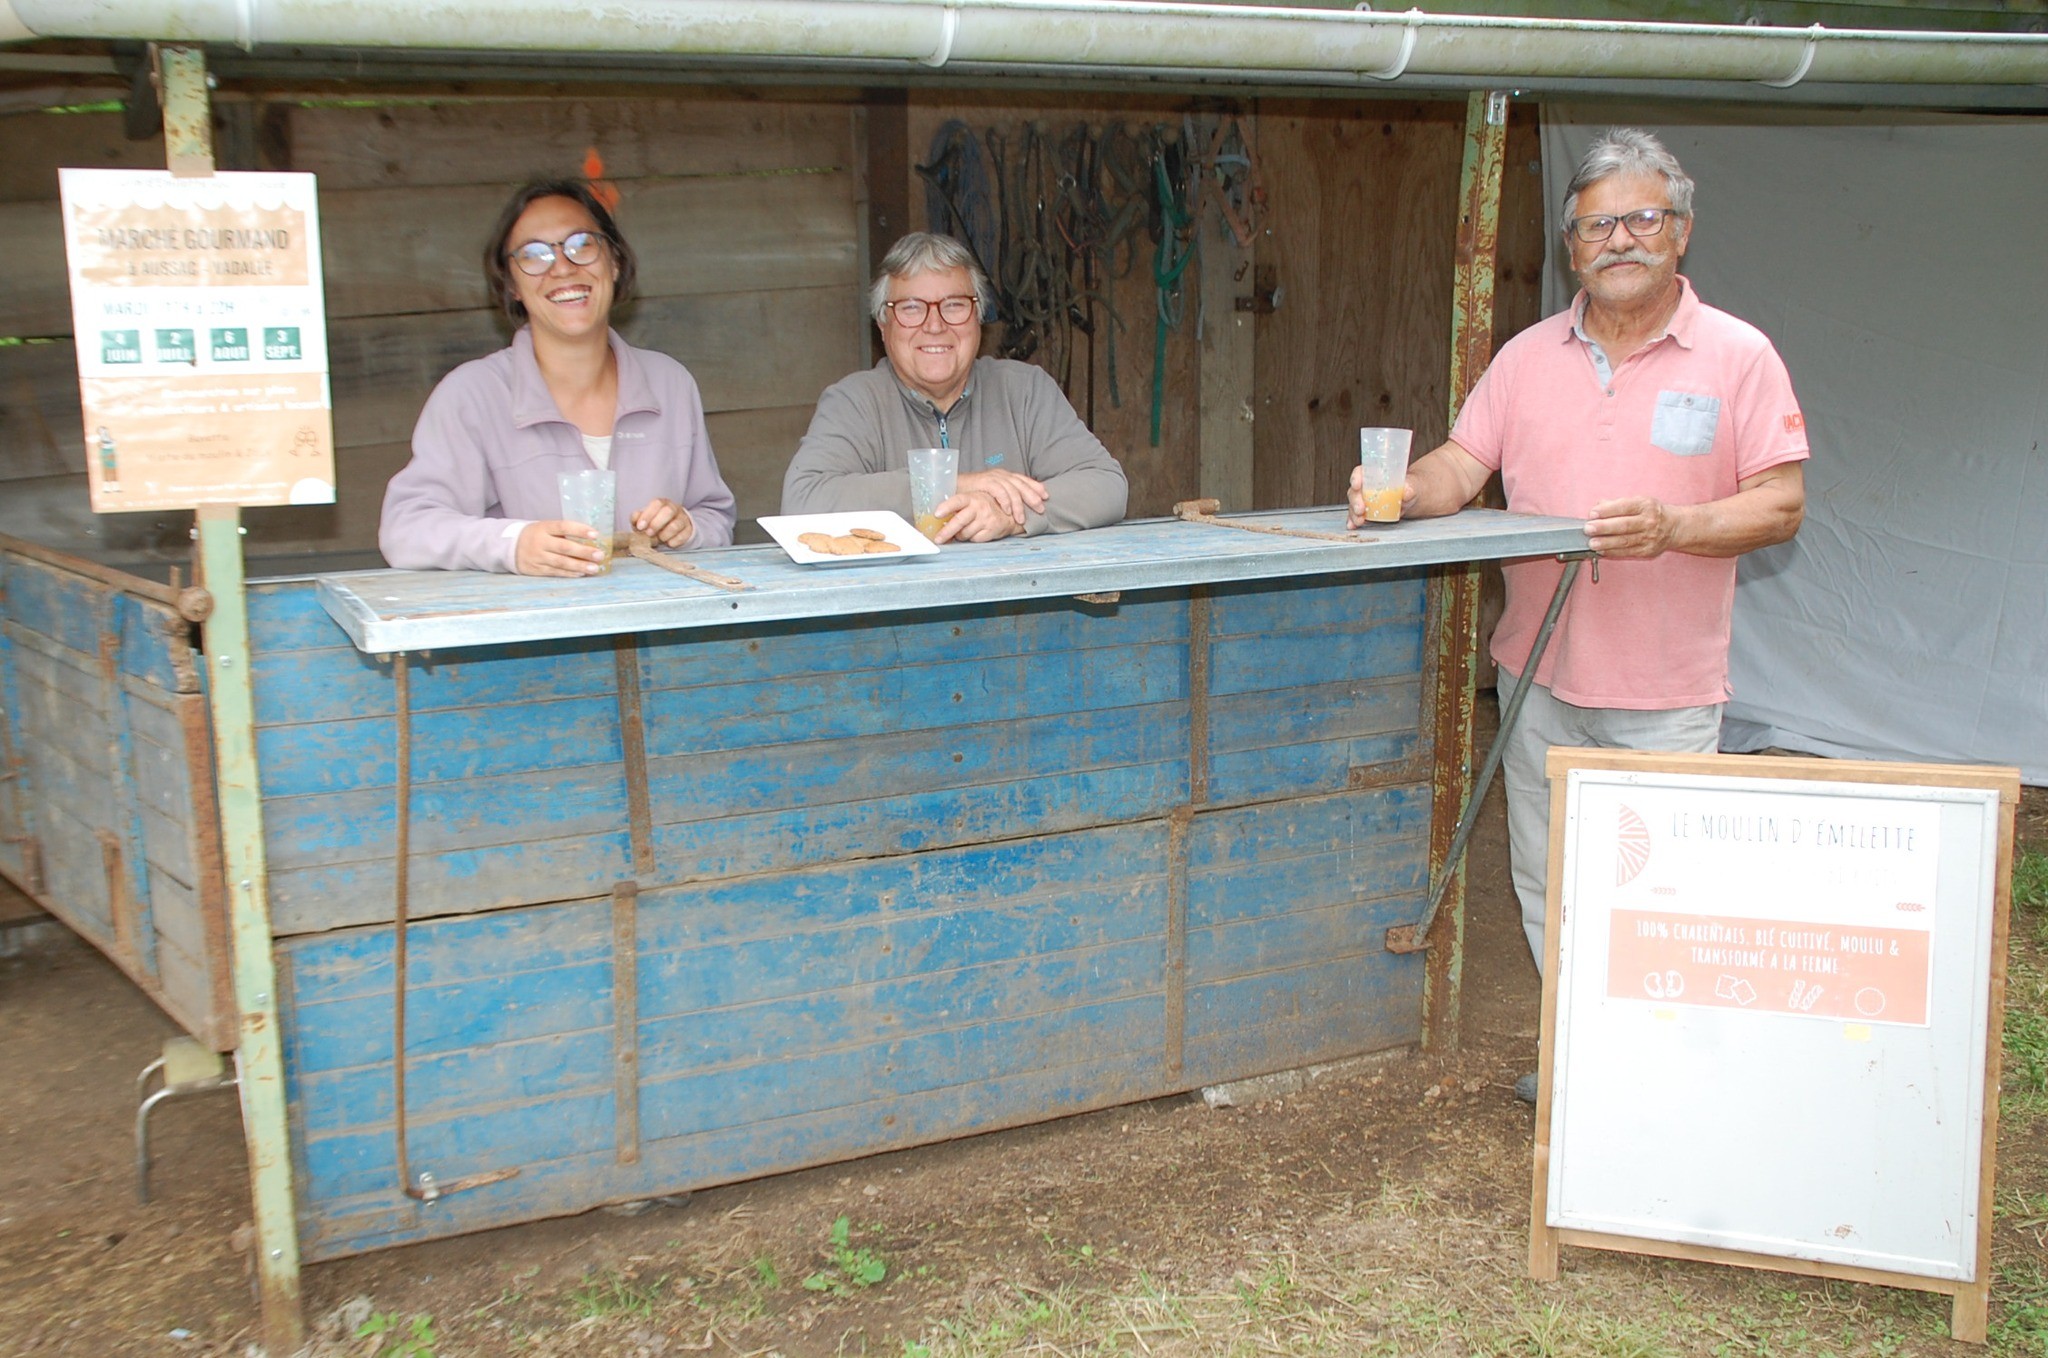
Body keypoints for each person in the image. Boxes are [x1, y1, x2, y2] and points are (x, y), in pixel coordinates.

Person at [1350, 128, 1808, 1093]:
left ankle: (1662, 1082)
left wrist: (1676, 524)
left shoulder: (1737, 356)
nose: (1620, 240)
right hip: (1537, 675)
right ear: (1572, 249)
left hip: (1666, 691)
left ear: (1681, 233)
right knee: (1549, 883)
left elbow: (1780, 503)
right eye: (1597, 225)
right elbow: (1460, 468)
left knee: (1659, 893)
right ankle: (1583, 1074)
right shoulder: (1527, 356)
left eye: (1643, 219)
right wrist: (1395, 490)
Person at [380, 179, 735, 574]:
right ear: (511, 284)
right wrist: (514, 545)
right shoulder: (472, 395)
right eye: (533, 255)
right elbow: (406, 531)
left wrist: (687, 529)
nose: (563, 267)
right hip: (529, 632)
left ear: (614, 262)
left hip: (655, 628)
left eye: (582, 244)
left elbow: (716, 517)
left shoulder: (670, 383)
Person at [781, 232, 1127, 541]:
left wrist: (1011, 515)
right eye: (912, 308)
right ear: (883, 326)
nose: (935, 325)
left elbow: (1106, 485)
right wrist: (951, 485)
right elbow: (802, 502)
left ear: (978, 319)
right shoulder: (853, 402)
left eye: (954, 306)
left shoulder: (1024, 391)